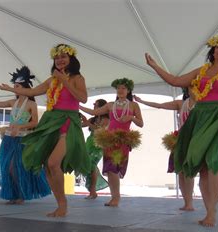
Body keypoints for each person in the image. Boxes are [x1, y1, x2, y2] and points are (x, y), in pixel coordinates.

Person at [145, 34, 218, 227]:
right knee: (202, 168)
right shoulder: (202, 70)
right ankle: (209, 210)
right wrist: (155, 66)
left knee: (214, 162)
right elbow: (175, 81)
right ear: (212, 51)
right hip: (200, 118)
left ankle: (213, 212)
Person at [0, 44, 91, 217]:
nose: (60, 60)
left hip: (67, 122)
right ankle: (60, 204)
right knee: (47, 166)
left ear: (71, 59)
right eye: (57, 57)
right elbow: (32, 91)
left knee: (53, 163)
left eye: (64, 57)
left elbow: (82, 98)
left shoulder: (77, 77)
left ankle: (63, 205)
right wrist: (10, 89)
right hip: (51, 121)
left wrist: (64, 81)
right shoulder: (51, 80)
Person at [0, 66, 50, 204]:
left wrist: (20, 126)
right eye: (14, 86)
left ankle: (21, 194)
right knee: (7, 168)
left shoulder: (31, 104)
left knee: (15, 168)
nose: (14, 88)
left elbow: (35, 122)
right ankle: (13, 194)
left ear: (24, 87)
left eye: (17, 86)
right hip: (9, 139)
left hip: (23, 140)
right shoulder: (13, 102)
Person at [80, 78, 143, 207]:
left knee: (115, 168)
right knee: (109, 169)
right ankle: (115, 197)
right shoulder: (110, 105)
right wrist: (78, 105)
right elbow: (93, 112)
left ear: (128, 90)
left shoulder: (133, 105)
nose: (120, 90)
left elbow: (141, 123)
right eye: (118, 88)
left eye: (123, 88)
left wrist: (131, 117)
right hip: (109, 140)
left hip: (123, 139)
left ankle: (116, 197)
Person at [134, 88, 195, 211]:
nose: (193, 89)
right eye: (190, 87)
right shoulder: (180, 104)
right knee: (181, 172)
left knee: (189, 172)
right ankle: (187, 202)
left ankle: (192, 202)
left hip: (195, 139)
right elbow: (160, 105)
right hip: (181, 140)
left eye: (195, 86)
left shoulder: (204, 104)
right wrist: (142, 101)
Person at [80, 99, 109, 199]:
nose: (94, 107)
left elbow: (98, 130)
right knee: (88, 165)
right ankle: (92, 191)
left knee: (92, 165)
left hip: (99, 144)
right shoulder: (93, 119)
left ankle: (92, 191)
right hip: (89, 143)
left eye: (96, 105)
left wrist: (86, 122)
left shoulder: (106, 120)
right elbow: (81, 125)